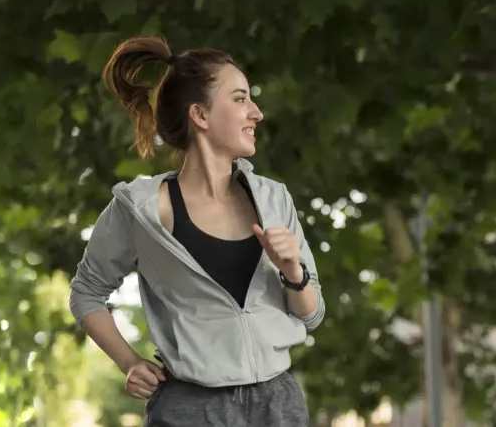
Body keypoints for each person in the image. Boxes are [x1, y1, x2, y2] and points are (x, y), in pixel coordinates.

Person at [68, 36, 324, 426]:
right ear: (200, 116)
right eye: (240, 99)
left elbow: (312, 315)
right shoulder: (140, 210)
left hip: (278, 406)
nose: (256, 112)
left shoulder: (275, 200)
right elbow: (87, 293)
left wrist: (293, 271)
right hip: (189, 409)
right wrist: (129, 362)